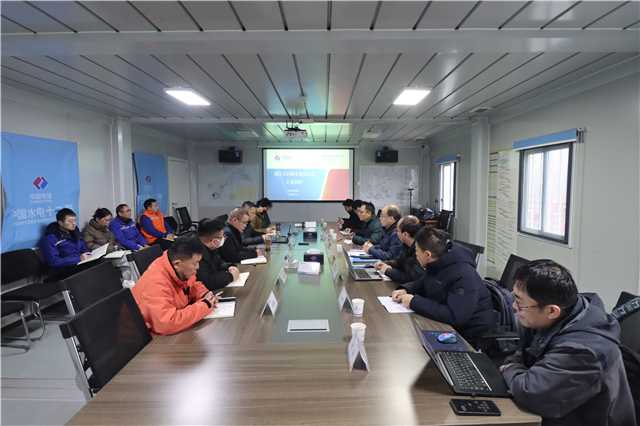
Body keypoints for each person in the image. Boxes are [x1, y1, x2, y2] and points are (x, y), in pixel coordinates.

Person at [499, 260, 636, 426]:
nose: (514, 307)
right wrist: (517, 367)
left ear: (552, 311)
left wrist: (509, 368)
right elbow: (520, 355)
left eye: (520, 302)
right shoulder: (559, 314)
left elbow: (532, 392)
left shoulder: (583, 351)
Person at [391, 227, 496, 344]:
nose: (415, 255)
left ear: (427, 254)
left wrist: (414, 301)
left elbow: (454, 316)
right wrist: (405, 289)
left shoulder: (463, 274)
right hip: (448, 327)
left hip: (469, 336)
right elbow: (423, 282)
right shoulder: (438, 262)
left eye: (416, 251)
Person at [131, 237, 219, 335]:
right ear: (177, 264)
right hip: (147, 337)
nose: (198, 267)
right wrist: (205, 305)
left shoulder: (180, 268)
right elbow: (166, 324)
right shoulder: (155, 282)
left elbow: (192, 284)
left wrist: (204, 294)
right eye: (195, 263)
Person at [375, 216, 424, 283]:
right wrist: (386, 263)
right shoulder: (406, 245)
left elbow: (410, 278)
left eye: (397, 231)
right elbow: (399, 262)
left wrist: (387, 270)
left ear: (405, 234)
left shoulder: (419, 250)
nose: (396, 233)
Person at [195, 218, 241, 291]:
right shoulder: (196, 254)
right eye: (222, 237)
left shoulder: (211, 248)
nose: (224, 238)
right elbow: (207, 282)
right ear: (215, 241)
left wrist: (229, 266)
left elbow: (219, 262)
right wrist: (230, 276)